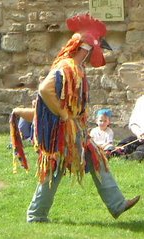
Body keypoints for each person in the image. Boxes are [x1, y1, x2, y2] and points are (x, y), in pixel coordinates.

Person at [11, 13, 140, 223]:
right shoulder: (66, 67)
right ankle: (36, 215)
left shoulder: (76, 68)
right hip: (62, 133)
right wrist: (64, 115)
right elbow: (44, 89)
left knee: (91, 159)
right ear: (87, 48)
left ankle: (116, 204)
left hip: (73, 130)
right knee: (56, 168)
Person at [128, 94, 144, 160]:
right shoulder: (141, 100)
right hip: (141, 137)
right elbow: (133, 123)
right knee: (125, 143)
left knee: (141, 149)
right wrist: (139, 133)